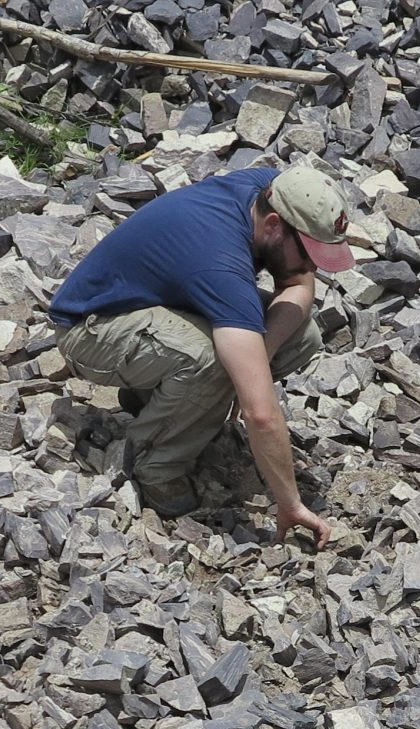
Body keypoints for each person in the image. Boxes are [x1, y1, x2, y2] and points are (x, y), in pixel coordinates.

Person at [49, 165, 358, 544]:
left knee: (299, 332)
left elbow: (297, 283)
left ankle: (157, 396)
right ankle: (156, 466)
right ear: (275, 225)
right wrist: (290, 503)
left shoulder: (274, 188)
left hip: (154, 302)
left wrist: (256, 358)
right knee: (213, 360)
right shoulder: (220, 263)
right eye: (310, 252)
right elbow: (260, 414)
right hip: (90, 328)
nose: (313, 265)